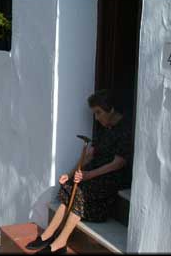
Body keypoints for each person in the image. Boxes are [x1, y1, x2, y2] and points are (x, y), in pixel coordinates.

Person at [26, 89, 132, 254]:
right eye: (94, 113)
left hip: (111, 176)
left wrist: (89, 175)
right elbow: (89, 155)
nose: (96, 118)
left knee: (80, 193)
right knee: (69, 186)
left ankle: (61, 242)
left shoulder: (125, 129)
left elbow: (118, 163)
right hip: (95, 170)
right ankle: (48, 234)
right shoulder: (104, 128)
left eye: (99, 113)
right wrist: (69, 174)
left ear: (111, 110)